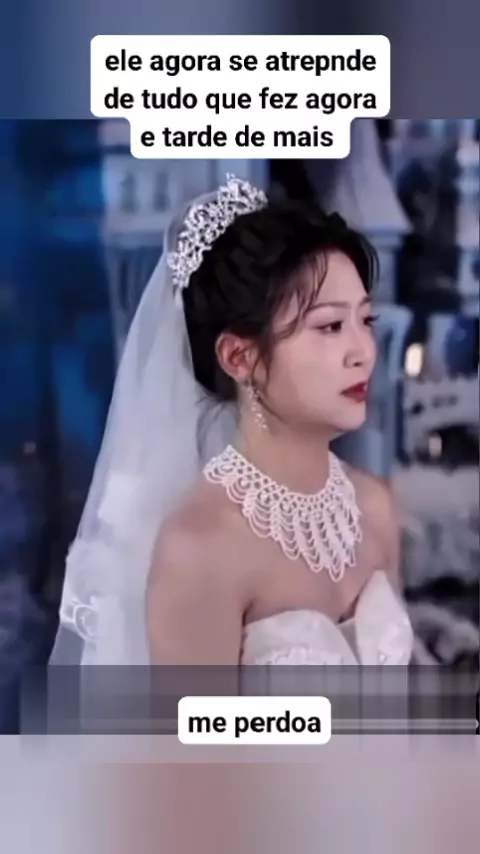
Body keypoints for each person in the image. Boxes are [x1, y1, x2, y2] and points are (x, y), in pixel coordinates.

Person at [51, 175, 413, 667]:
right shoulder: (201, 547)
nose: (363, 352)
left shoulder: (376, 508)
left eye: (365, 321)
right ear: (240, 358)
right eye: (330, 326)